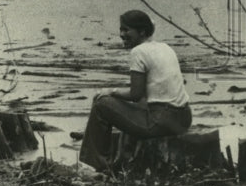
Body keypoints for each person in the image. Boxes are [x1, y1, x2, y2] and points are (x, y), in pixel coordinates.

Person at [79, 10, 192, 172]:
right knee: (116, 103)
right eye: (121, 30)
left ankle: (93, 165)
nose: (122, 34)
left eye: (126, 30)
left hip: (161, 121)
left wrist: (111, 91)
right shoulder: (165, 47)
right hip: (183, 119)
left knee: (100, 103)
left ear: (142, 32)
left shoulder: (138, 52)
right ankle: (111, 158)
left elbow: (135, 95)